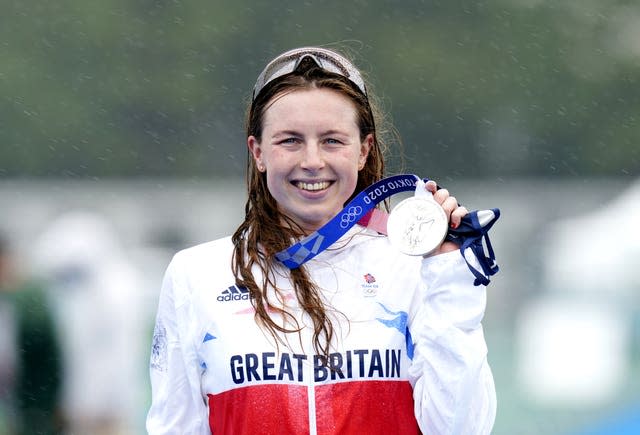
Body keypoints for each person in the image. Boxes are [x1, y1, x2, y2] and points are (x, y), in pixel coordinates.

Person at [146, 46, 497, 434]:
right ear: (258, 151)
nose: (312, 161)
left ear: (363, 151)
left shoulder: (415, 267)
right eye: (290, 141)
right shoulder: (197, 274)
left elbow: (461, 428)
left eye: (332, 141)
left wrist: (448, 273)